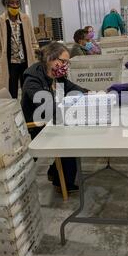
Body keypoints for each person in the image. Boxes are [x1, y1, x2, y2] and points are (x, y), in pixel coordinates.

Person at [21, 42, 89, 192]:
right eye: (63, 61)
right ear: (50, 58)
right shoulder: (32, 80)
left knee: (73, 130)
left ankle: (56, 173)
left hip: (50, 120)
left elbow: (70, 87)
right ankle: (62, 181)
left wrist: (88, 93)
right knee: (71, 137)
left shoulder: (54, 75)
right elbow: (47, 108)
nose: (65, 65)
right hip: (35, 126)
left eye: (67, 62)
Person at [0, 0, 39, 99]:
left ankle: (27, 109)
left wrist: (35, 55)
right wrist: (0, 59)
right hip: (10, 62)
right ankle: (12, 110)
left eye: (17, 2)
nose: (15, 5)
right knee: (11, 88)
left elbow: (33, 40)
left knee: (28, 87)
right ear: (6, 4)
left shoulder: (25, 19)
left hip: (26, 60)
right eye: (12, 3)